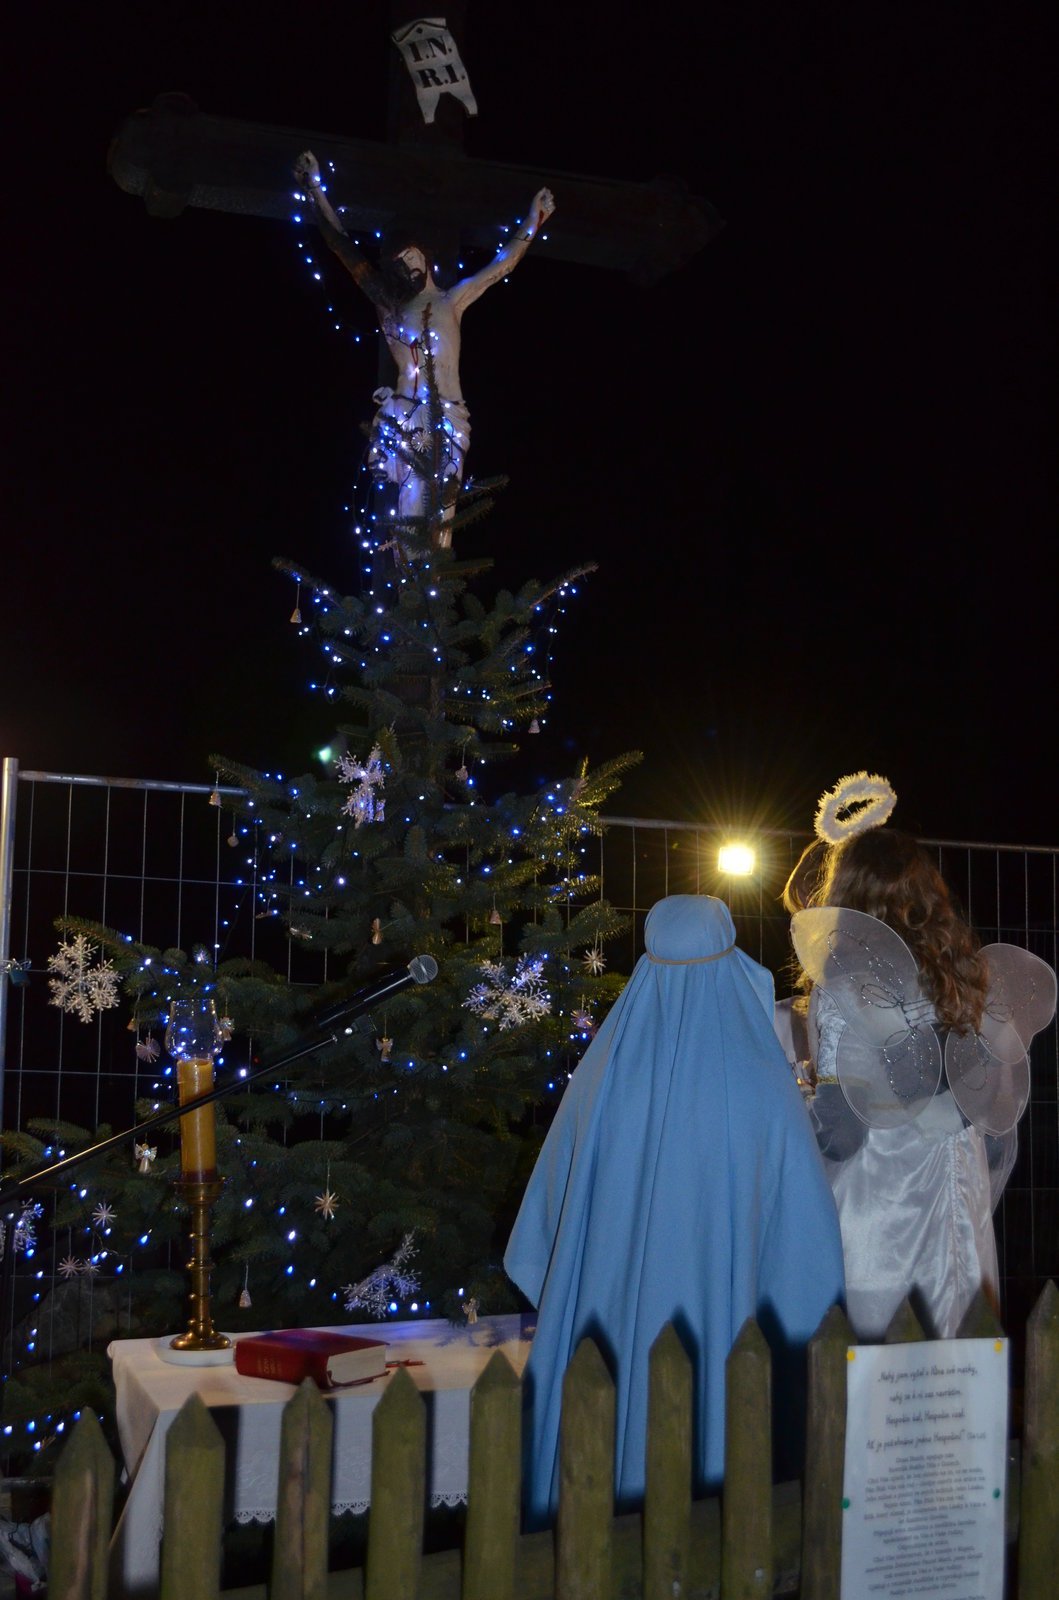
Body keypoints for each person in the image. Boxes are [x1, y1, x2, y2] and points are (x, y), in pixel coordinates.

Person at [504, 894, 845, 1526]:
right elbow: (805, 1246)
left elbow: (549, 1216)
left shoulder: (602, 1074)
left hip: (602, 1327)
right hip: (722, 1328)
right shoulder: (761, 1079)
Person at [787, 775, 1055, 1340]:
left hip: (883, 1198)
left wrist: (791, 1119)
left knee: (876, 1351)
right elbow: (987, 1093)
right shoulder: (964, 973)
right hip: (957, 1183)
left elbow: (842, 1131)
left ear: (846, 893)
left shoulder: (845, 984)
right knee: (957, 1336)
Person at [294, 151, 555, 542]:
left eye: (413, 255)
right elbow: (342, 246)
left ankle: (430, 589)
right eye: (400, 262)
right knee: (411, 508)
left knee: (442, 506)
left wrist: (534, 219)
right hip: (407, 416)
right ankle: (412, 588)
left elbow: (503, 264)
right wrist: (315, 188)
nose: (409, 265)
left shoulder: (452, 300)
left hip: (449, 413)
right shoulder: (389, 305)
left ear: (426, 257)